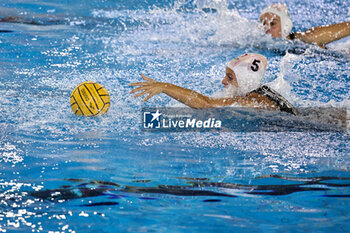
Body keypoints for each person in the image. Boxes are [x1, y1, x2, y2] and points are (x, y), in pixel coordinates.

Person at [130, 53, 297, 115]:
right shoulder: (259, 94)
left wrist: (164, 87)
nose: (223, 81)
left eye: (230, 77)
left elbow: (207, 104)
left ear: (246, 81)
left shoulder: (256, 101)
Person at [259, 3, 350, 49]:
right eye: (264, 24)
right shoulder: (261, 44)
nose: (267, 28)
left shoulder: (303, 39)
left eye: (273, 23)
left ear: (285, 26)